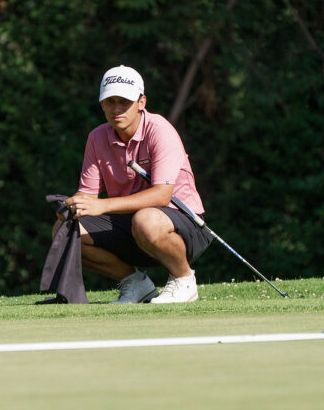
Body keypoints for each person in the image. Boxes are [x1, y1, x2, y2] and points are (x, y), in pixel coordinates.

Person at [63, 65, 214, 303]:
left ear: (141, 102)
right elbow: (87, 196)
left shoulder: (159, 129)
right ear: (102, 104)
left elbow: (162, 196)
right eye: (110, 101)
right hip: (132, 225)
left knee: (146, 220)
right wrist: (72, 207)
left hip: (183, 223)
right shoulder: (96, 137)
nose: (116, 109)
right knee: (66, 230)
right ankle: (136, 284)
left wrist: (103, 205)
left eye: (124, 101)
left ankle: (184, 279)